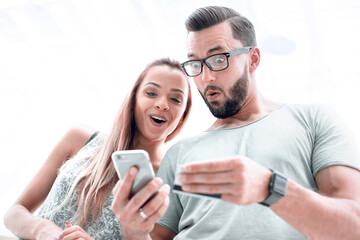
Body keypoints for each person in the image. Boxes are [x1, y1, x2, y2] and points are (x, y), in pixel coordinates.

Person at [112, 6, 360, 240]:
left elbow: (353, 227)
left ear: (253, 59)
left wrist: (270, 187)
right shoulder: (179, 152)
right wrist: (133, 231)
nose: (206, 77)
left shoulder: (313, 120)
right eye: (196, 64)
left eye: (219, 59)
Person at [3, 58, 192, 240]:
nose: (162, 104)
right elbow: (14, 213)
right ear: (134, 98)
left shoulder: (168, 185)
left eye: (175, 99)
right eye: (151, 93)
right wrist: (45, 231)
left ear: (183, 116)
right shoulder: (79, 139)